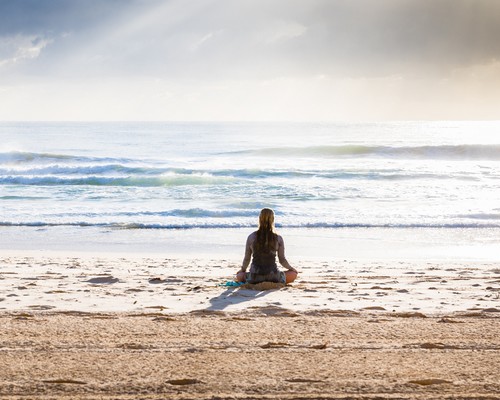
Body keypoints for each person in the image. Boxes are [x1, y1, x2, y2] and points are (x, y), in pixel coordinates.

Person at [236, 208, 298, 284]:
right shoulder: (278, 238)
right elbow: (282, 260)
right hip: (273, 277)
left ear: (259, 219)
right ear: (273, 220)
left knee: (239, 275)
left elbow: (247, 259)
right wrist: (291, 268)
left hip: (254, 277)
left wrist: (242, 270)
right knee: (293, 274)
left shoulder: (251, 237)